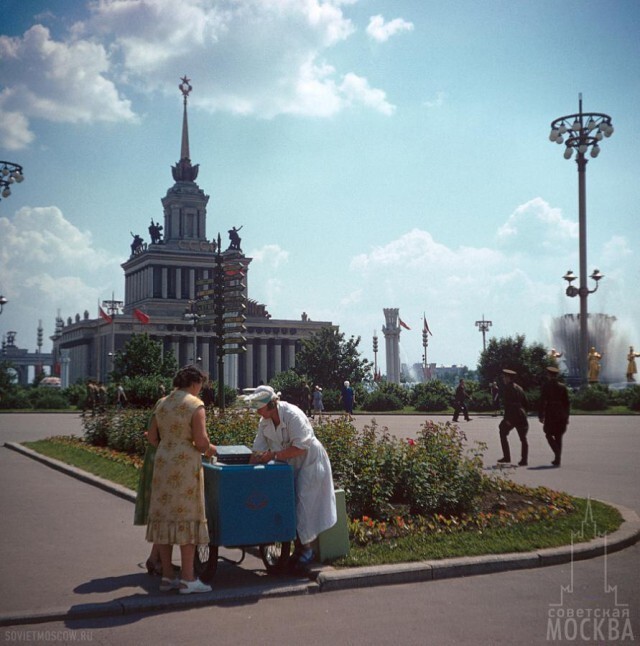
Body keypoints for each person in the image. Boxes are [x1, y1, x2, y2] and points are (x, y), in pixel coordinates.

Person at [242, 385, 337, 566]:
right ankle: (298, 548)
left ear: (270, 405)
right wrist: (246, 473)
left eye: (259, 407)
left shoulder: (293, 415)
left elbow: (301, 447)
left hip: (309, 462)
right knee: (289, 504)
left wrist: (274, 455)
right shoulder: (265, 422)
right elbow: (257, 451)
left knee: (304, 503)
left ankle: (306, 550)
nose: (256, 410)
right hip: (289, 465)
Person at [146, 365, 217, 594]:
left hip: (163, 464)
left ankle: (167, 577)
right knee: (188, 516)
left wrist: (168, 447)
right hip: (185, 466)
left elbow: (152, 437)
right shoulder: (195, 405)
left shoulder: (162, 403)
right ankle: (188, 578)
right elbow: (201, 440)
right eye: (201, 386)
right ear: (195, 383)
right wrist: (210, 449)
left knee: (165, 517)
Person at [538, 366, 570, 467]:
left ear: (549, 375)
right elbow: (567, 403)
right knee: (558, 436)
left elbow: (542, 401)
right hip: (561, 413)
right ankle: (557, 459)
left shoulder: (546, 386)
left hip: (551, 412)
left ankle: (557, 454)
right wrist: (567, 416)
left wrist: (541, 415)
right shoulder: (562, 386)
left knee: (548, 434)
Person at [497, 369, 529, 466]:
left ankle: (507, 457)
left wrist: (507, 419)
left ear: (508, 378)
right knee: (523, 438)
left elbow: (508, 405)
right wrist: (524, 413)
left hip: (512, 415)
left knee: (502, 431)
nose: (503, 379)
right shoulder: (519, 388)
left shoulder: (508, 388)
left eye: (504, 377)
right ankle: (524, 460)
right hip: (521, 414)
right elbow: (526, 402)